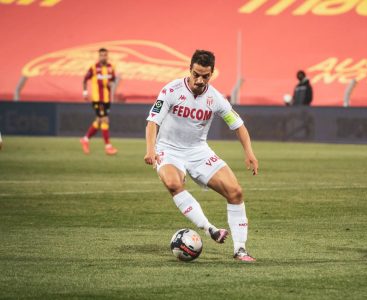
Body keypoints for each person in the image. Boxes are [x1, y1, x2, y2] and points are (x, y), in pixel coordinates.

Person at [144, 49, 259, 262]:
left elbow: (238, 125)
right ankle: (210, 228)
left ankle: (240, 249)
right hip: (168, 149)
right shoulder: (171, 90)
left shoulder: (215, 98)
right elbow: (153, 121)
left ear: (212, 73)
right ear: (190, 69)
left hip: (198, 150)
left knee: (235, 192)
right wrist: (151, 149)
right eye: (196, 74)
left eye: (205, 76)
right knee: (173, 183)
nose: (199, 80)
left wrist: (249, 152)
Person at [79, 48, 118, 155]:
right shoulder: (94, 67)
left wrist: (111, 83)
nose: (103, 57)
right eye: (101, 55)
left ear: (107, 56)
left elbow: (113, 79)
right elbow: (85, 79)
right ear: (99, 56)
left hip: (107, 99)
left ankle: (85, 139)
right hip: (98, 99)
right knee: (105, 120)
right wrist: (85, 92)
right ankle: (108, 146)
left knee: (99, 121)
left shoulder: (111, 67)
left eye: (105, 55)